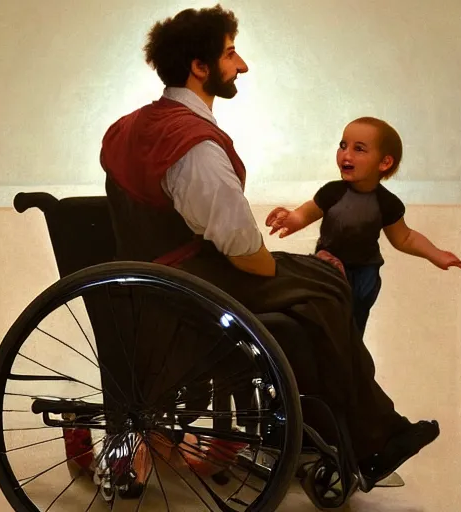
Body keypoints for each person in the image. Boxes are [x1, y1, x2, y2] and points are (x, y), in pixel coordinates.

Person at [99, 4, 441, 492]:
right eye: (230, 54)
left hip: (160, 272)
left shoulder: (132, 125)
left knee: (319, 278)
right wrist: (285, 268)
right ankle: (367, 436)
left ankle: (352, 428)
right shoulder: (194, 146)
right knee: (325, 290)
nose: (242, 66)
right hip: (190, 285)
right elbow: (242, 250)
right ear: (200, 67)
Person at [265, 117, 461, 335]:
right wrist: (291, 218)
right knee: (324, 318)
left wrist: (435, 254)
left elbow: (404, 237)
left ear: (384, 163)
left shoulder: (387, 203)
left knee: (354, 323)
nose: (346, 154)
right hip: (328, 264)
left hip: (365, 273)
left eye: (359, 149)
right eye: (343, 146)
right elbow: (307, 213)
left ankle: (351, 362)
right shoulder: (333, 192)